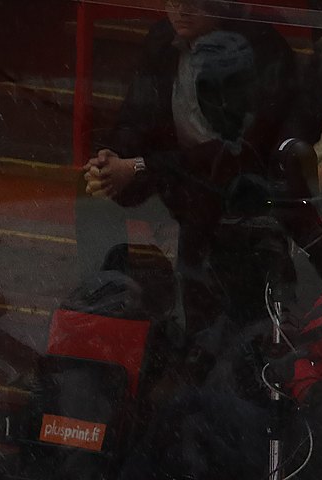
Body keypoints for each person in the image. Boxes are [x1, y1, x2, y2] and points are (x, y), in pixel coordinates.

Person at [80, 1, 310, 342]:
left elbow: (241, 153)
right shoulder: (162, 39)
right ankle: (107, 316)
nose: (180, 12)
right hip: (178, 179)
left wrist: (142, 167)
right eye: (174, 2)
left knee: (207, 239)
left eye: (193, 4)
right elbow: (137, 113)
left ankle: (211, 349)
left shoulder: (260, 48)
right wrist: (114, 156)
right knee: (87, 204)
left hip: (245, 194)